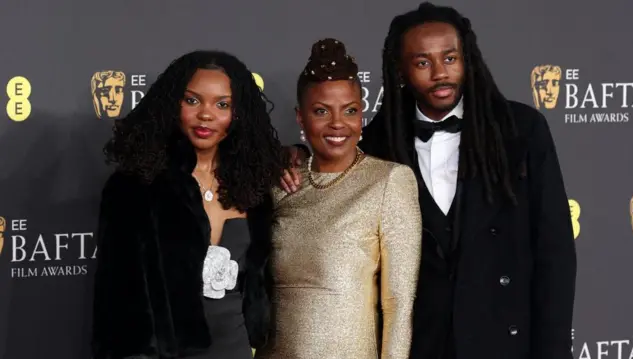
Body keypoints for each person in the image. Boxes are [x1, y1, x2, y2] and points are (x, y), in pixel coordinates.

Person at [283, 3, 577, 359]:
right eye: (423, 62)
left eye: (450, 58)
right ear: (401, 69)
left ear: (466, 59)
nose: (440, 73)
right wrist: (293, 155)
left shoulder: (520, 131)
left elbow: (555, 253)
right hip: (420, 344)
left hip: (504, 341)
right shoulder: (377, 143)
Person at [91, 50, 288, 359]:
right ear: (173, 105)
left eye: (222, 104)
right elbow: (118, 308)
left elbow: (256, 287)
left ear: (238, 114)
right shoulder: (134, 187)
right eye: (193, 100)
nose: (205, 115)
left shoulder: (254, 187)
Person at [255, 38, 422, 359]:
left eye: (350, 111)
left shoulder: (389, 181)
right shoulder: (282, 182)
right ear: (300, 118)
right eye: (321, 111)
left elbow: (398, 303)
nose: (337, 124)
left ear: (362, 113)